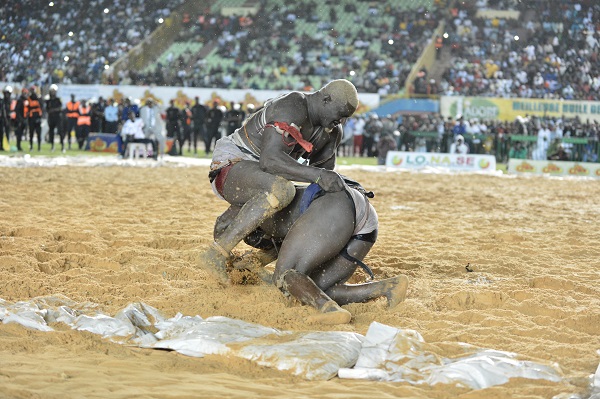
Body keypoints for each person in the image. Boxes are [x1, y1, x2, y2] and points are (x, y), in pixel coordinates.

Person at [199, 79, 359, 284]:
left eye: (346, 118)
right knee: (283, 190)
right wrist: (318, 175)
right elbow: (270, 160)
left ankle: (254, 260)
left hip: (267, 178)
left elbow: (321, 180)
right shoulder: (293, 104)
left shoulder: (332, 132)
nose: (342, 121)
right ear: (326, 99)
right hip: (233, 165)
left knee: (310, 206)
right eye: (341, 114)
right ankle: (216, 253)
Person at [223, 179, 409, 324]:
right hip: (365, 221)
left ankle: (329, 310)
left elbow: (282, 259)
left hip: (336, 207)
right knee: (313, 288)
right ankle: (388, 287)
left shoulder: (264, 218)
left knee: (284, 275)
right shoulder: (268, 208)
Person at [45, 84, 64, 152]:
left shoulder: (58, 99)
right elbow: (47, 109)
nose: (53, 92)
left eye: (54, 91)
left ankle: (62, 146)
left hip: (57, 118)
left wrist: (54, 110)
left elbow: (60, 108)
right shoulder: (48, 100)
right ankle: (52, 146)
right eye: (52, 91)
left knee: (60, 132)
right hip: (51, 118)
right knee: (51, 132)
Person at [0, 86, 12, 151]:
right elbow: (3, 110)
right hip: (2, 119)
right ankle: (1, 145)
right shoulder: (2, 101)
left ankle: (7, 145)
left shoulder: (10, 101)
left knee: (7, 132)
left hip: (8, 118)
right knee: (1, 132)